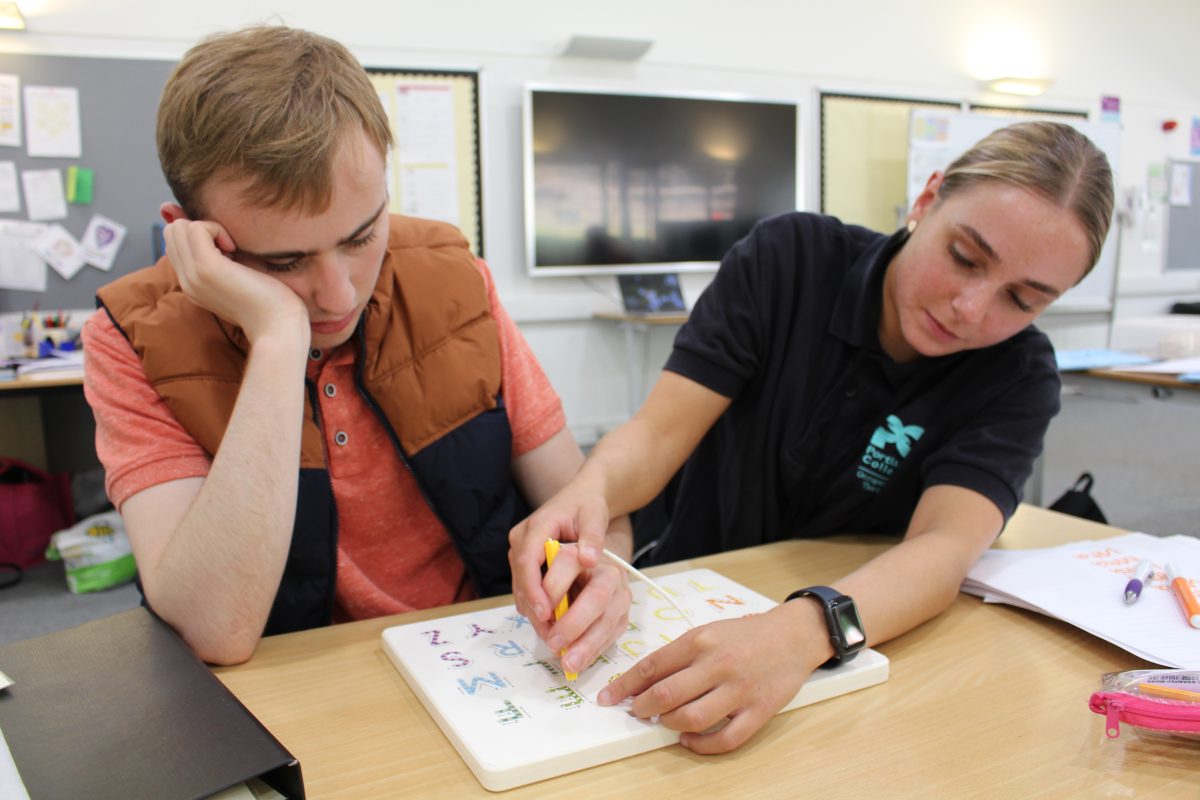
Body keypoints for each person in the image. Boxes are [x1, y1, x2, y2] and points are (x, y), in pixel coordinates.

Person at [509, 121, 1113, 753]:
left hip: (848, 632)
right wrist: (591, 491)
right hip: (687, 584)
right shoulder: (790, 259)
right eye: (964, 257)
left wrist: (802, 632)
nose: (971, 307)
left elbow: (944, 549)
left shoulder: (1017, 375)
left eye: (1022, 299)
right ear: (927, 200)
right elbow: (658, 433)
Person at [82, 25, 631, 665]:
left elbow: (585, 500)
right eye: (284, 262)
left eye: (363, 235)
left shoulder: (454, 279)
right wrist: (278, 337)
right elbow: (214, 629)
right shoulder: (131, 336)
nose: (339, 296)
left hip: (482, 662)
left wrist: (604, 567)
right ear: (191, 239)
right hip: (294, 685)